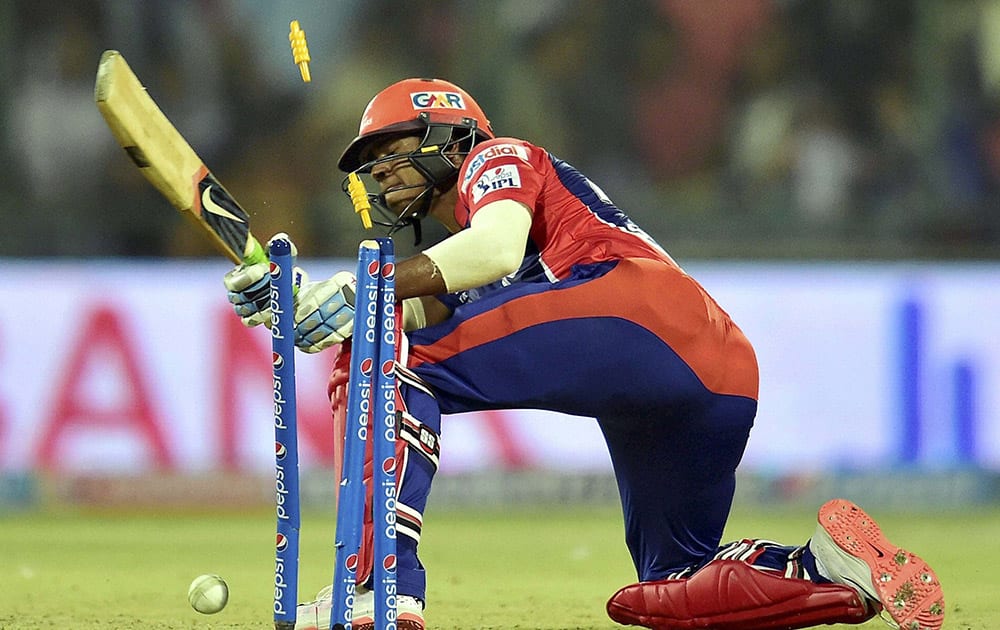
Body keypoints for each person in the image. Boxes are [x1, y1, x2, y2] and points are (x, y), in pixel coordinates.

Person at [224, 78, 945, 630]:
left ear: (449, 135)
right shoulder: (471, 246)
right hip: (715, 371)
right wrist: (297, 303)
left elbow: (490, 251)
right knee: (673, 585)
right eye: (371, 165)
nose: (379, 173)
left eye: (391, 150)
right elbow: (421, 303)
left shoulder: (496, 158)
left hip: (638, 310)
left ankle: (378, 584)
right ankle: (829, 569)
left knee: (388, 357)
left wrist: (359, 293)